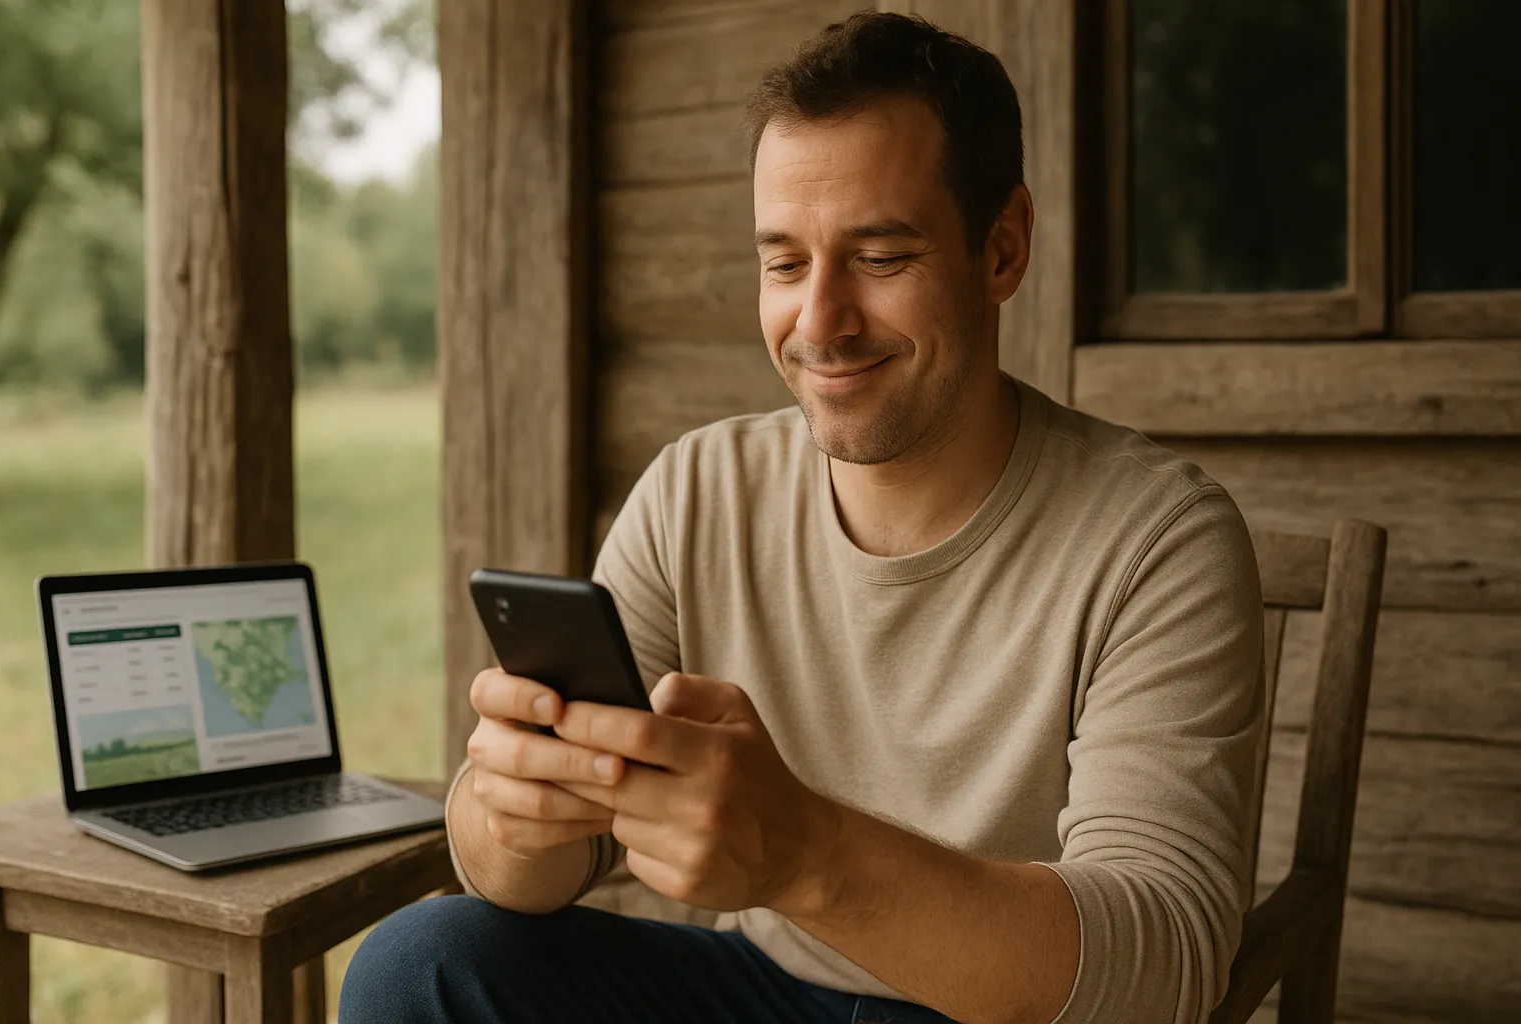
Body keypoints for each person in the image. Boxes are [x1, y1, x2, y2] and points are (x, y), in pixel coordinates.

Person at [340, 11, 1265, 1024]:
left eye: (880, 256)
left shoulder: (1157, 539)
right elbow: (543, 866)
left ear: (1001, 250)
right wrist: (509, 821)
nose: (819, 322)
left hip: (996, 1006)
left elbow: (1167, 967)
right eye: (784, 264)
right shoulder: (699, 489)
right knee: (420, 960)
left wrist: (805, 851)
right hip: (766, 990)